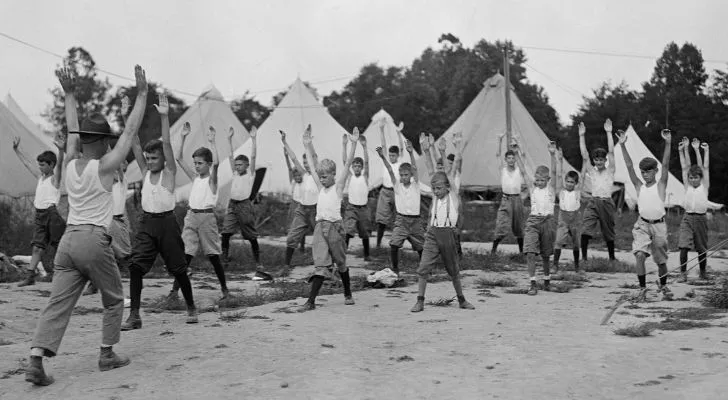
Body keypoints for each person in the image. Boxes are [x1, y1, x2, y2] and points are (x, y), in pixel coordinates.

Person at [25, 66, 147, 386]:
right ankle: (107, 354)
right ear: (105, 142)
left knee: (58, 302)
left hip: (67, 242)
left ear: (82, 140)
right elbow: (131, 131)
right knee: (113, 297)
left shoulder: (68, 163)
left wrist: (68, 95)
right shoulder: (105, 166)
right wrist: (142, 94)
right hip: (94, 239)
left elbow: (71, 127)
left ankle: (36, 357)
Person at [122, 93, 197, 331]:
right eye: (148, 158)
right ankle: (134, 315)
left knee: (179, 269)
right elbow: (133, 141)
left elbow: (166, 144)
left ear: (163, 159)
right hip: (147, 225)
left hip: (167, 225)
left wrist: (164, 117)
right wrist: (126, 116)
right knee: (135, 267)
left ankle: (191, 307)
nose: (150, 161)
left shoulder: (169, 172)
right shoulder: (145, 173)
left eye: (154, 158)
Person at [410, 133, 474, 312]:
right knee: (423, 268)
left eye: (438, 189)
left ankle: (461, 299)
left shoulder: (453, 195)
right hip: (432, 234)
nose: (435, 192)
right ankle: (420, 300)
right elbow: (432, 171)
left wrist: (444, 151)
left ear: (447, 187)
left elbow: (448, 173)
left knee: (453, 271)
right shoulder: (436, 193)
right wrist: (426, 149)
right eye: (434, 189)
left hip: (448, 235)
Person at [298, 126, 358, 311]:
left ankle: (347, 293)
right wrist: (307, 145)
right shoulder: (320, 186)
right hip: (320, 228)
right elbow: (312, 164)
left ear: (333, 175)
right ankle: (311, 302)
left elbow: (348, 164)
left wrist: (353, 144)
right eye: (320, 177)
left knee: (341, 263)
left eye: (325, 177)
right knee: (320, 265)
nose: (322, 180)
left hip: (335, 228)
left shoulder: (338, 188)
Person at [172, 124, 229, 297]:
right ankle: (174, 291)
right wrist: (183, 137)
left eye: (200, 163)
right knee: (185, 254)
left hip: (206, 218)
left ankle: (225, 289)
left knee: (213, 255)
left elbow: (217, 164)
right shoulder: (195, 178)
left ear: (208, 164)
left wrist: (212, 142)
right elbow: (179, 159)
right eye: (195, 163)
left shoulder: (212, 180)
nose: (196, 166)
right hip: (191, 216)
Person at [84, 97, 133, 296]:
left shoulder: (121, 180)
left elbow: (117, 155)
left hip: (117, 222)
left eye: (120, 165)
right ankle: (95, 282)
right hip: (105, 221)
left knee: (122, 255)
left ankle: (132, 274)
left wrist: (123, 118)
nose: (116, 167)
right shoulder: (106, 180)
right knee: (101, 251)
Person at [618, 129, 673, 301]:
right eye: (642, 171)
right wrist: (622, 144)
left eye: (648, 171)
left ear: (655, 171)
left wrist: (668, 142)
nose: (644, 174)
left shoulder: (661, 185)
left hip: (659, 226)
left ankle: (663, 285)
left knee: (661, 262)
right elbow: (628, 166)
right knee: (640, 255)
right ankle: (642, 289)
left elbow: (665, 165)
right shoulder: (639, 186)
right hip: (642, 225)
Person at [12, 133, 66, 287]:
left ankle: (61, 275)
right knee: (37, 246)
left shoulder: (55, 179)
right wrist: (17, 150)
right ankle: (30, 276)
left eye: (43, 165)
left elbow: (60, 165)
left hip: (52, 215)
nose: (40, 167)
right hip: (40, 215)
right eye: (40, 164)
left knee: (59, 246)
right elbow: (27, 164)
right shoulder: (40, 177)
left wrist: (61, 151)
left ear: (51, 165)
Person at [376, 138, 422, 275]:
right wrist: (382, 157)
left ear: (411, 175)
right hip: (401, 221)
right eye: (402, 175)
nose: (404, 177)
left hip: (415, 221)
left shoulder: (416, 185)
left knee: (421, 247)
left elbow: (414, 168)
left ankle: (424, 268)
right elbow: (390, 169)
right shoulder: (397, 186)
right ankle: (395, 269)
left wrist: (411, 153)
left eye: (406, 175)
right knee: (394, 244)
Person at [221, 126, 263, 272]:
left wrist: (253, 139)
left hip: (245, 206)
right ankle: (224, 259)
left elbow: (253, 156)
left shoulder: (250, 174)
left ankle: (258, 261)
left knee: (251, 235)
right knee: (225, 232)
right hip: (232, 205)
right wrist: (229, 139)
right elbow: (230, 156)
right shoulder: (234, 174)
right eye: (236, 165)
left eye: (240, 165)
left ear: (246, 166)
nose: (238, 167)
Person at [521, 142, 558, 295]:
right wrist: (517, 154)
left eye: (542, 180)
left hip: (548, 222)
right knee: (530, 252)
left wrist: (552, 154)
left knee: (545, 254)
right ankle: (532, 283)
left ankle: (547, 282)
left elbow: (555, 171)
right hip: (533, 221)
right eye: (537, 180)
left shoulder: (551, 188)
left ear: (548, 180)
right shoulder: (532, 188)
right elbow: (523, 171)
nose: (539, 182)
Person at [281, 130, 319, 273]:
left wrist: (309, 144)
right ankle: (286, 265)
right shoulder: (303, 174)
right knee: (291, 237)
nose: (306, 164)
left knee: (322, 238)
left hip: (316, 210)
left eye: (307, 162)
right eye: (304, 162)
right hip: (302, 210)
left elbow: (314, 157)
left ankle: (326, 265)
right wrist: (284, 142)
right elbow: (293, 158)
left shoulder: (317, 175)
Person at [579, 120, 617, 262]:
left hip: (606, 202)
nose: (599, 162)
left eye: (601, 160)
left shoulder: (610, 171)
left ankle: (612, 258)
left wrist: (608, 132)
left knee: (608, 231)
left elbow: (612, 152)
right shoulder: (592, 171)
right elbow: (584, 155)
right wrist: (582, 136)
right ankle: (583, 258)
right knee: (585, 229)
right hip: (593, 202)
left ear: (605, 160)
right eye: (596, 160)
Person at [677, 137, 710, 281]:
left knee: (701, 248)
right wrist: (683, 150)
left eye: (696, 178)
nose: (693, 180)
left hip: (701, 219)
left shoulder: (704, 185)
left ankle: (702, 272)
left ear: (700, 178)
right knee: (683, 246)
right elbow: (685, 167)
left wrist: (699, 150)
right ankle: (683, 273)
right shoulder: (687, 186)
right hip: (688, 218)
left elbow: (704, 168)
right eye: (691, 178)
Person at [491, 134, 526, 254]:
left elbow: (523, 156)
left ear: (515, 159)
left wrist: (518, 143)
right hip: (506, 199)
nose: (511, 160)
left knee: (519, 226)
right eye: (509, 158)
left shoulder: (519, 170)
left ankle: (522, 252)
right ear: (506, 159)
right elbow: (497, 155)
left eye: (513, 158)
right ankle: (493, 250)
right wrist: (499, 140)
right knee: (501, 223)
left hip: (517, 199)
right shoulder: (503, 169)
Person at [552, 147, 584, 275]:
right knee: (559, 241)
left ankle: (577, 266)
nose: (569, 184)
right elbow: (559, 175)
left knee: (576, 243)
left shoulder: (578, 192)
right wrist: (559, 159)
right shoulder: (561, 191)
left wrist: (585, 160)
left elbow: (584, 171)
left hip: (575, 219)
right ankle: (555, 265)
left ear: (576, 183)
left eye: (572, 182)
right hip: (563, 218)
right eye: (568, 181)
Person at [375, 120, 405, 247]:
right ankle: (378, 243)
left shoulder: (400, 162)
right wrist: (381, 129)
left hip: (397, 192)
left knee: (399, 217)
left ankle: (397, 243)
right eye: (390, 155)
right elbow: (383, 144)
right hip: (385, 191)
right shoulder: (385, 160)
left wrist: (399, 133)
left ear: (398, 155)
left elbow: (402, 147)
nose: (391, 157)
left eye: (393, 155)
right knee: (382, 219)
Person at [342, 133, 371, 260]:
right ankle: (342, 255)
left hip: (363, 209)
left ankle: (367, 255)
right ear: (352, 167)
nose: (357, 168)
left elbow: (367, 161)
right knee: (348, 231)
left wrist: (364, 147)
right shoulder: (350, 176)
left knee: (364, 233)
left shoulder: (365, 177)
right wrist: (344, 145)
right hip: (351, 208)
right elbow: (345, 162)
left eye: (359, 166)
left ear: (362, 167)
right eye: (355, 166)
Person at [283, 144, 306, 251]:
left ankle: (302, 246)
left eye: (299, 176)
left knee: (302, 227)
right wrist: (286, 156)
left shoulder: (305, 182)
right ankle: (293, 244)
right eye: (295, 176)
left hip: (302, 205)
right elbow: (289, 168)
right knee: (293, 226)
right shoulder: (293, 182)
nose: (297, 178)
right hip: (294, 204)